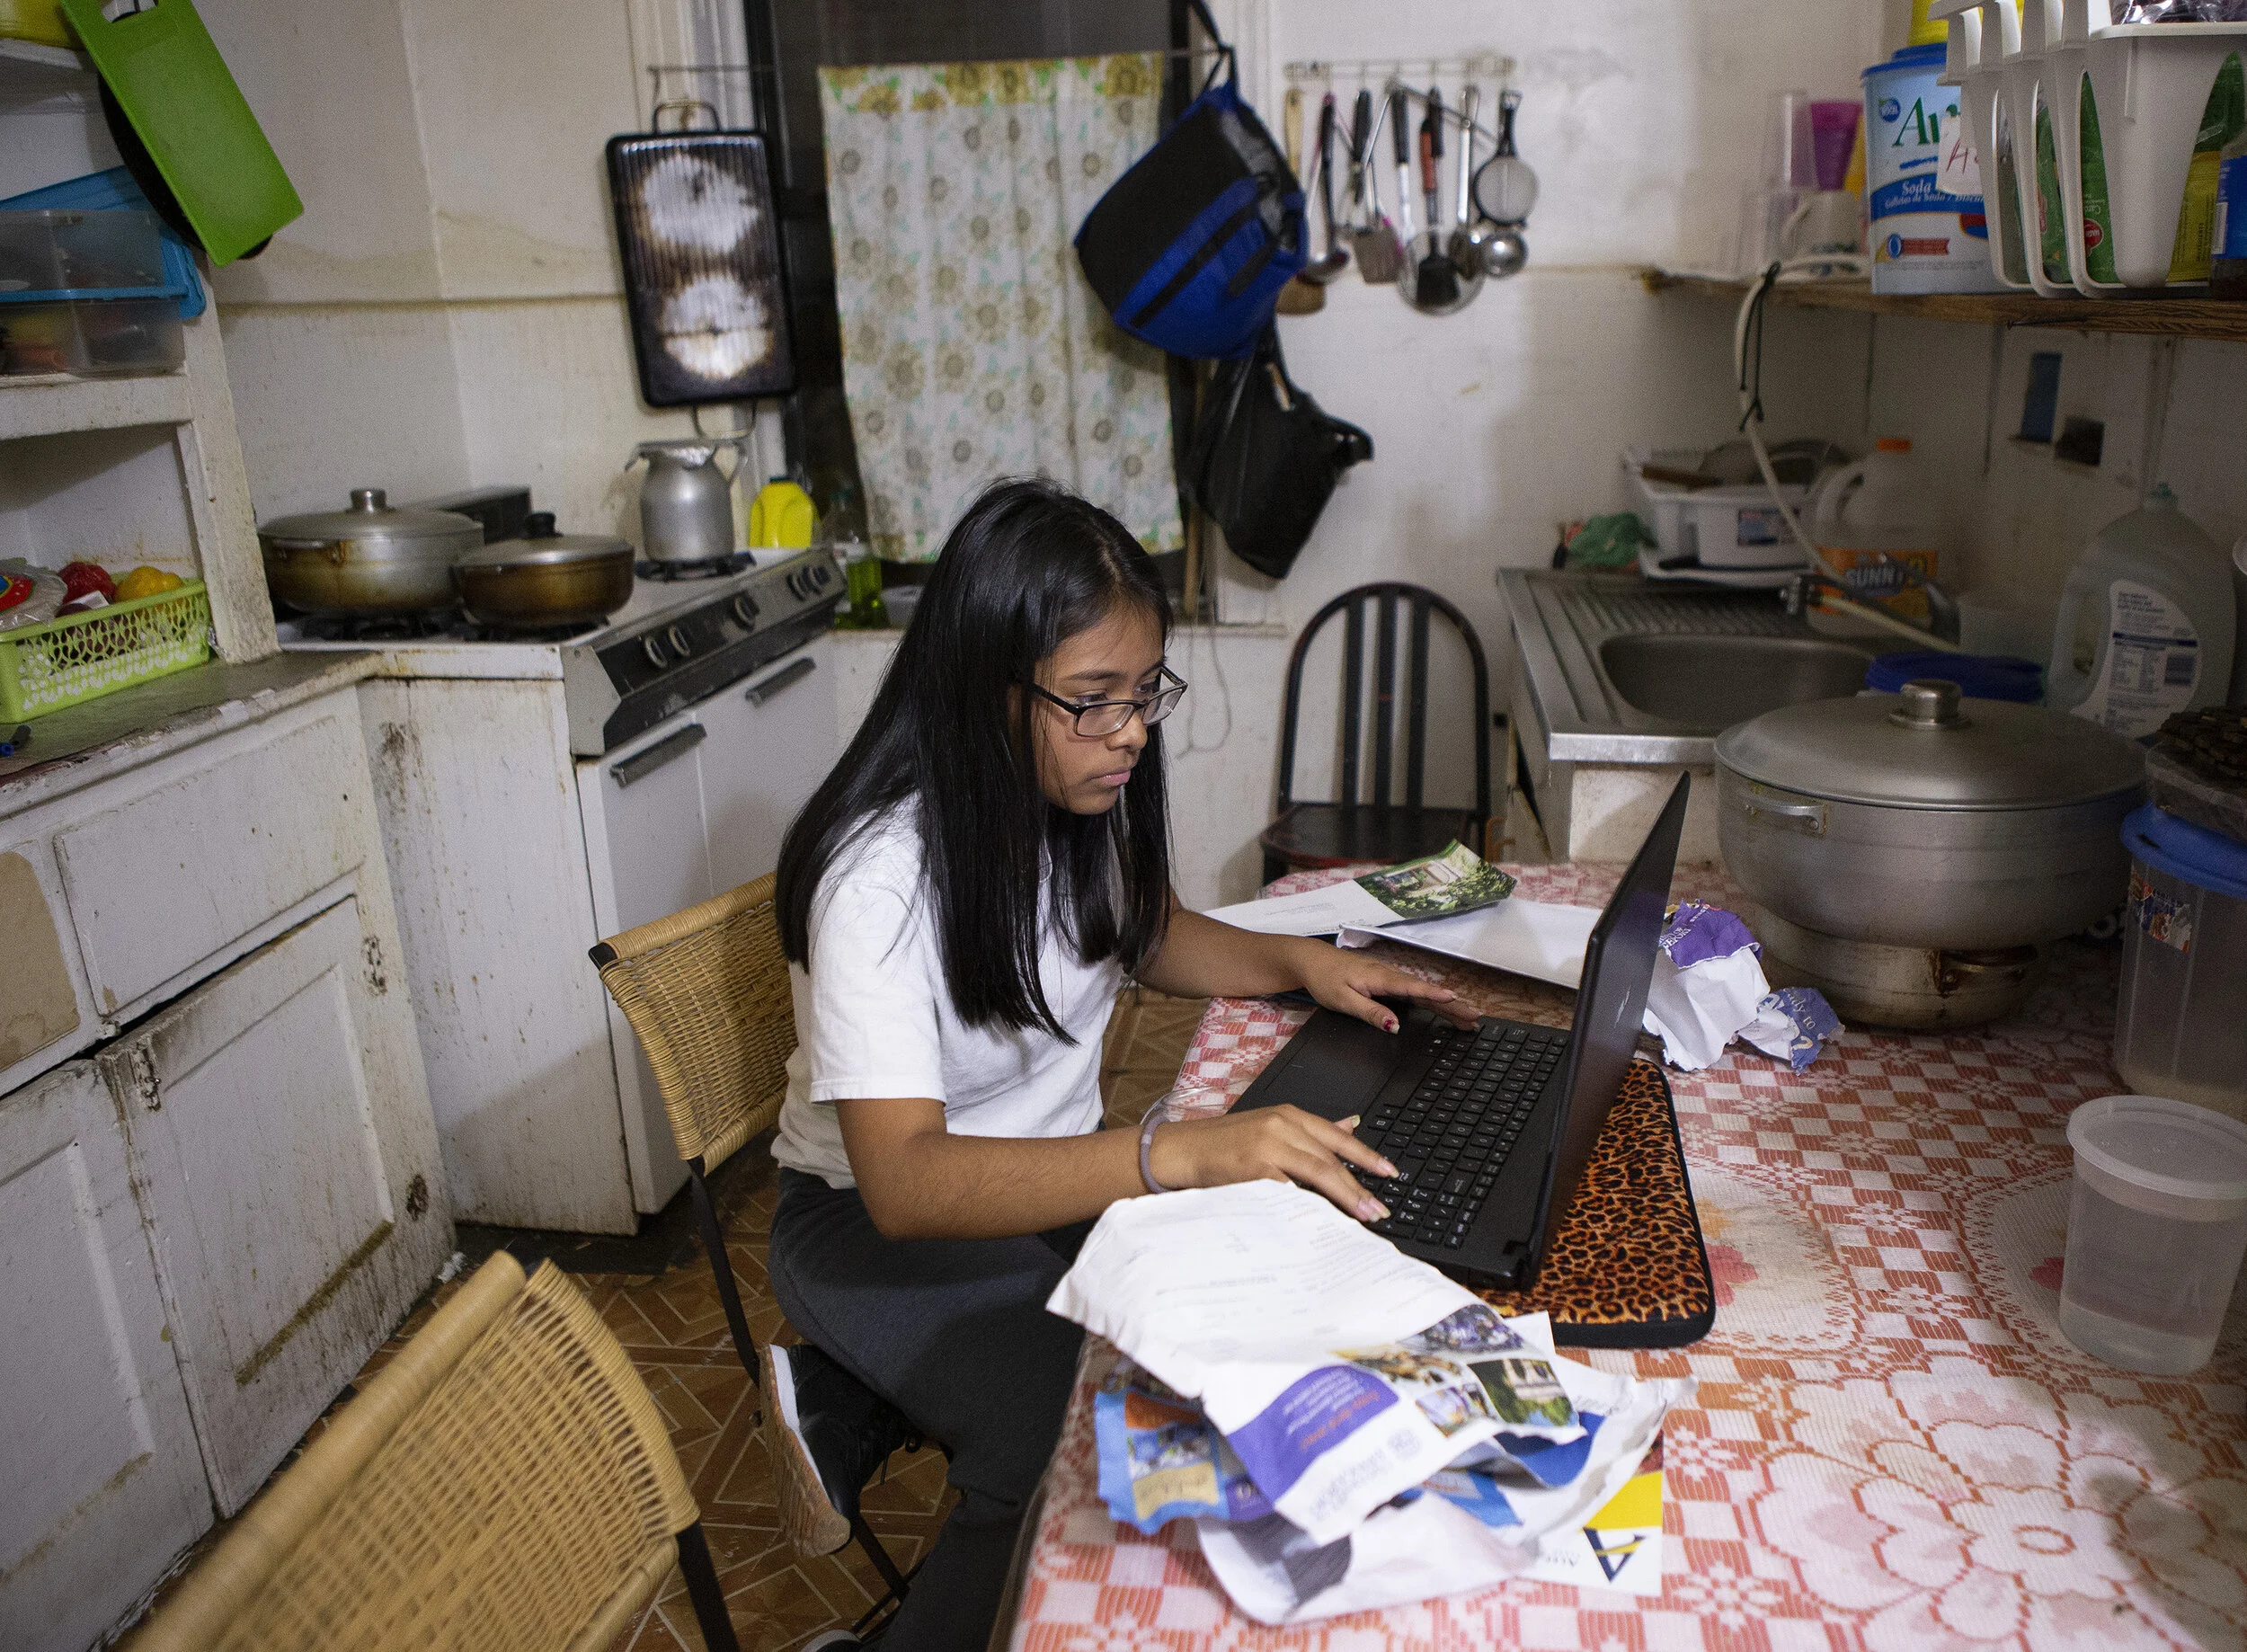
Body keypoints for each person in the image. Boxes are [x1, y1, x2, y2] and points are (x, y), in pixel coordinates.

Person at [764, 477, 1471, 1650]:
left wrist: (1301, 962)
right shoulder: (878, 878)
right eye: (1094, 700)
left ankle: (864, 1398)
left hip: (1047, 1188)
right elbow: (906, 1180)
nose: (1132, 731)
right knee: (1070, 1428)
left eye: (1145, 694)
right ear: (984, 687)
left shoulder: (1070, 793)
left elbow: (1143, 932)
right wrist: (1171, 1154)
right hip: (872, 1221)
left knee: (1252, 1316)